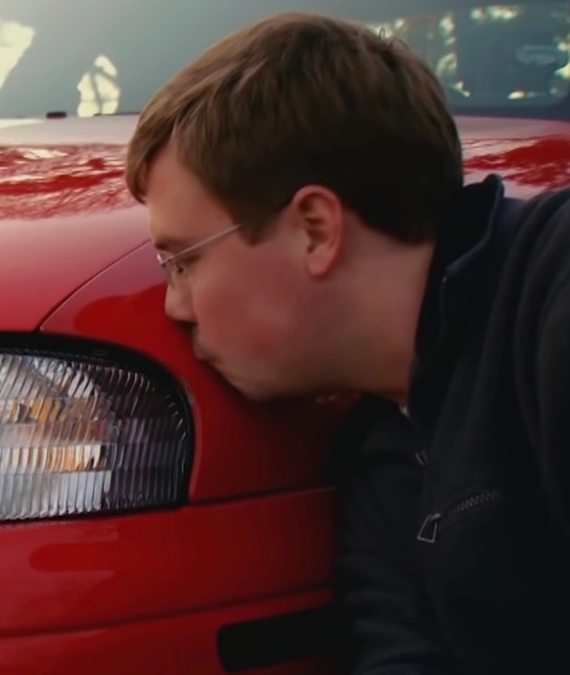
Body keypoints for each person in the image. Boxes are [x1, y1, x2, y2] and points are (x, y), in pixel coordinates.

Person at [123, 11, 570, 675]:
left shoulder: (552, 300)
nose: (174, 306)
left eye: (184, 261)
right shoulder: (383, 458)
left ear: (315, 229)